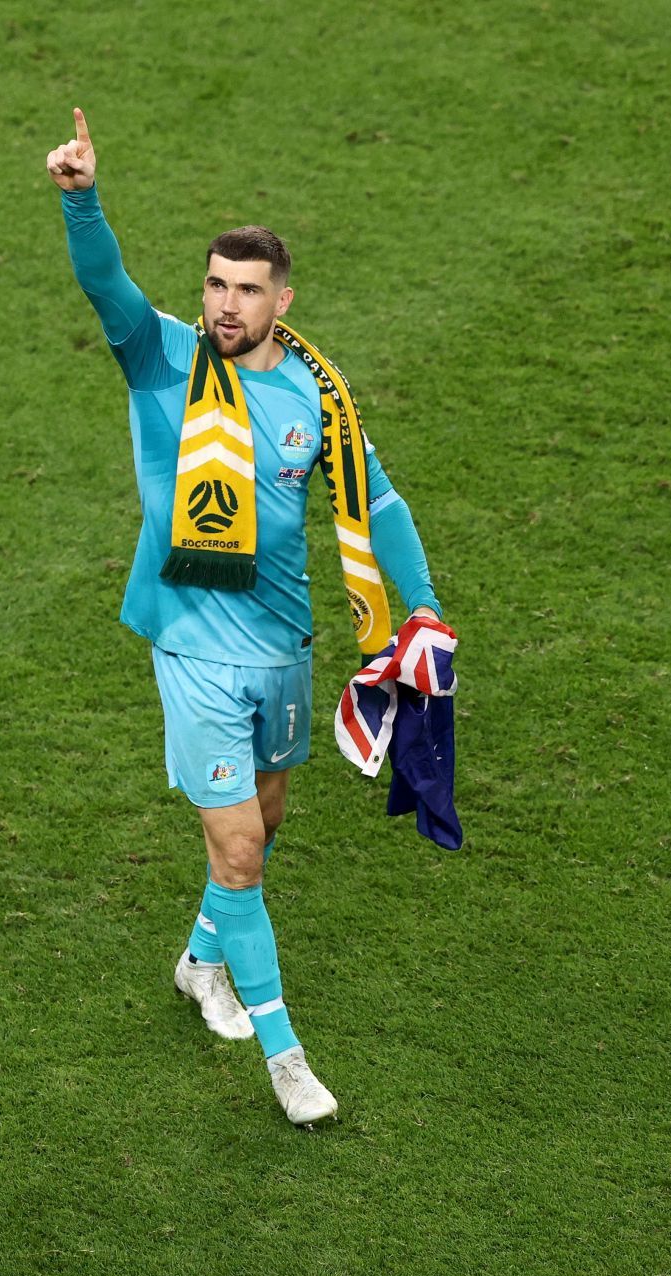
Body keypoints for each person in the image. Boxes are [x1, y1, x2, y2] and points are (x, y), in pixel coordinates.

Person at [46, 108, 448, 1126]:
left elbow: (379, 502)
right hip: (190, 647)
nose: (225, 305)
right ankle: (285, 1056)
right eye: (215, 285)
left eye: (246, 289)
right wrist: (82, 198)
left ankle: (197, 959)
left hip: (283, 647)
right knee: (241, 854)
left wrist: (426, 603)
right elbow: (108, 289)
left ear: (283, 299)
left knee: (260, 829)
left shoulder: (321, 398)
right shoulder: (164, 360)